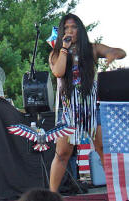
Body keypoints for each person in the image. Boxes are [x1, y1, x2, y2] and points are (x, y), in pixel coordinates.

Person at [48, 13, 126, 192]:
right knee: (62, 154)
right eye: (66, 28)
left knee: (102, 149)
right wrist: (64, 49)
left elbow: (121, 52)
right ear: (61, 32)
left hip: (92, 108)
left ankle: (118, 190)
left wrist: (113, 53)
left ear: (80, 30)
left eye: (73, 27)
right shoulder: (56, 53)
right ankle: (51, 195)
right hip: (68, 110)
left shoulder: (92, 49)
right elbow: (59, 72)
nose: (70, 31)